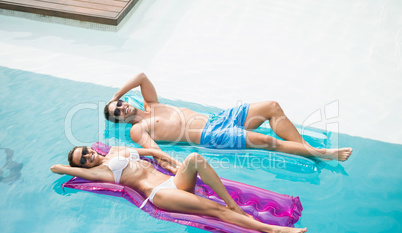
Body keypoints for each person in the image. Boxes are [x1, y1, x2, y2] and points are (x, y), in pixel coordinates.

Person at [50, 145, 307, 233]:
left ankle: (234, 205)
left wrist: (170, 161)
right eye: (82, 160)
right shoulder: (101, 172)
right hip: (160, 194)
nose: (87, 156)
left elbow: (150, 152)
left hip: (172, 181)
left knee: (194, 158)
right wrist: (72, 167)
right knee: (215, 210)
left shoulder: (116, 150)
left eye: (84, 151)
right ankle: (273, 230)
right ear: (84, 167)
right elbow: (56, 168)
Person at [104, 73, 352, 161]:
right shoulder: (137, 130)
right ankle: (323, 154)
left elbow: (142, 76)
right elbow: (155, 151)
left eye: (120, 104)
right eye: (117, 112)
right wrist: (172, 164)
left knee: (272, 106)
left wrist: (115, 94)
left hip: (218, 119)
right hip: (212, 135)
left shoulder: (151, 102)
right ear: (119, 121)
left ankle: (305, 148)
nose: (121, 108)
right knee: (268, 143)